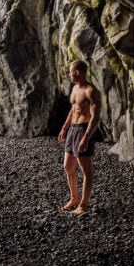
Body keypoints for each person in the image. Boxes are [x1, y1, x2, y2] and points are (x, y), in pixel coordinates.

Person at [58, 59, 102, 215]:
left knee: (86, 171)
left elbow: (95, 118)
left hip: (84, 129)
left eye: (71, 72)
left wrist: (86, 138)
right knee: (68, 167)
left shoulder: (91, 91)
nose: (69, 75)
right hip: (73, 129)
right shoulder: (75, 88)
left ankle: (83, 205)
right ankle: (74, 198)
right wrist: (65, 127)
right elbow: (73, 109)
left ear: (77, 72)